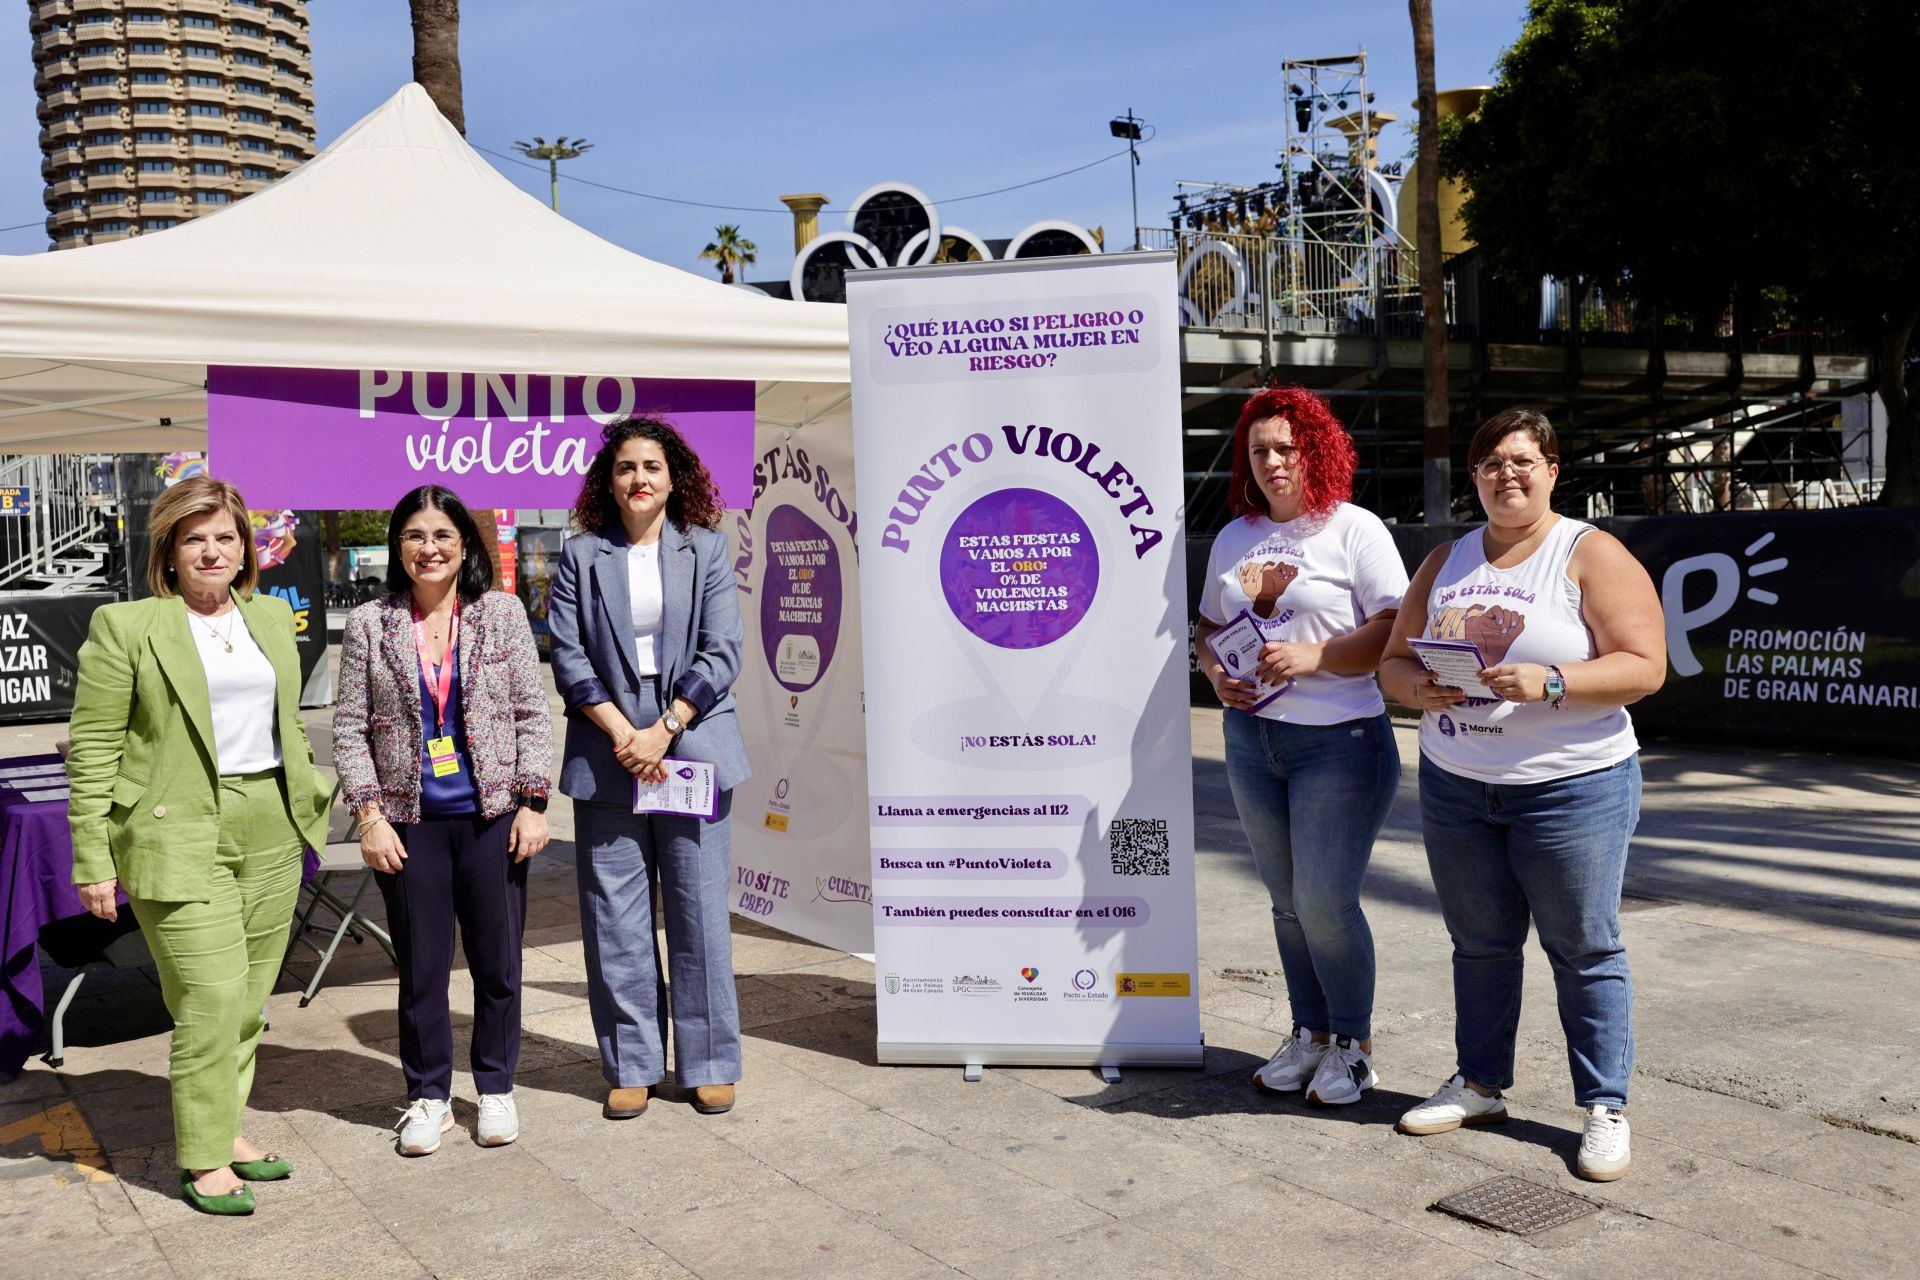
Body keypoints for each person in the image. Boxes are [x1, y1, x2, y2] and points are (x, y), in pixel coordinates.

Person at [1379, 408, 1666, 1182]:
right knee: (1479, 944)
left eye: (1522, 461)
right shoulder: (1446, 559)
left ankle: (1604, 1107)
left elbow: (1645, 665)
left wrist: (1555, 681)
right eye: (1491, 464)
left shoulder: (1589, 553)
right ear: (1473, 478)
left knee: (1583, 946)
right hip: (1457, 785)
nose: (1507, 475)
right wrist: (1422, 691)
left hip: (1573, 789)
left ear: (1552, 470)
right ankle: (1479, 1084)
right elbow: (1393, 666)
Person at [66, 476, 333, 1215]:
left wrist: (310, 797)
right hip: (175, 828)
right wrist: (93, 856)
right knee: (210, 999)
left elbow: (288, 721)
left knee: (248, 1002)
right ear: (170, 551)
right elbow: (91, 750)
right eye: (195, 538)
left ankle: (228, 1128)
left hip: (271, 821)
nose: (212, 550)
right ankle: (204, 1156)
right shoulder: (129, 627)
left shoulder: (273, 617)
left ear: (247, 545)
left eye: (225, 536)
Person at [1194, 385, 1408, 1106]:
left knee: (1323, 900)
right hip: (1253, 739)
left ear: (1315, 449)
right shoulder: (1234, 537)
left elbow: (1393, 628)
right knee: (1286, 902)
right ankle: (1310, 1033)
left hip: (1340, 742)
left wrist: (1316, 658)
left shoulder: (1355, 530)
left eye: (1287, 446)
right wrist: (1217, 674)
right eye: (1259, 450)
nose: (1273, 461)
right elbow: (1207, 629)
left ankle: (1353, 1045)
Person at [333, 485, 552, 1157]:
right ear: (399, 547)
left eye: (442, 535)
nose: (429, 548)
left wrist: (533, 803)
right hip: (410, 823)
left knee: (498, 963)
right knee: (423, 969)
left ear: (465, 545)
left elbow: (531, 714)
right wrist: (370, 817)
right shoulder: (371, 622)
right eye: (415, 536)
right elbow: (348, 729)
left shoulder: (501, 613)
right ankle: (428, 1096)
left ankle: (495, 1088)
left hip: (490, 819)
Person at [546, 416, 748, 1120]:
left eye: (651, 468)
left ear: (674, 479)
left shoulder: (710, 550)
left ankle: (709, 1062)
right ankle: (631, 1064)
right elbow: (567, 654)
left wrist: (665, 728)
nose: (638, 479)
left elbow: (723, 650)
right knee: (615, 919)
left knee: (698, 914)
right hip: (608, 753)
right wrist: (623, 732)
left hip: (689, 745)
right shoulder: (579, 555)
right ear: (609, 480)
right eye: (626, 467)